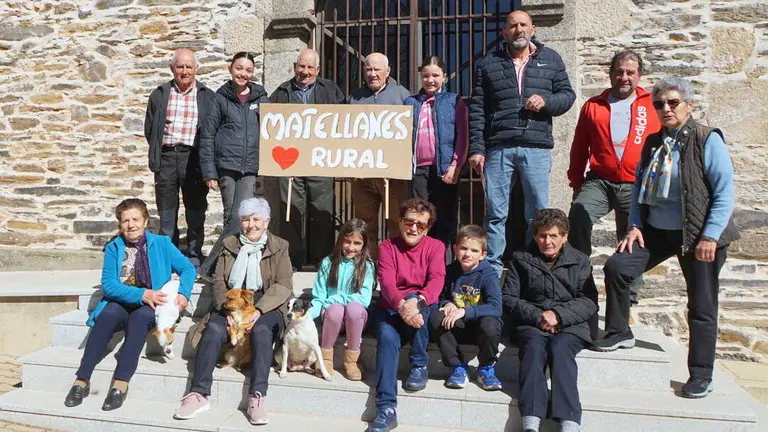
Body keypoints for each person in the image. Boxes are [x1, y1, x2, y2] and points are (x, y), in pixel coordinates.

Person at [594, 77, 739, 400]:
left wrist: (710, 236)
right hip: (656, 231)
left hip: (699, 234)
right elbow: (637, 193)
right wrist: (634, 226)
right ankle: (619, 330)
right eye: (659, 103)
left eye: (673, 102)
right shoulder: (654, 142)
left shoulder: (705, 139)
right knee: (618, 267)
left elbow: (724, 193)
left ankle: (701, 374)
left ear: (689, 104)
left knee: (701, 305)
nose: (666, 109)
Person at [468, 10, 576, 276]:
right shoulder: (487, 63)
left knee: (537, 213)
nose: (518, 29)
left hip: (536, 146)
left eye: (523, 25)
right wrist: (477, 149)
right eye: (512, 25)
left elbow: (567, 95)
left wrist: (546, 102)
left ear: (533, 29)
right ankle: (492, 269)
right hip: (498, 147)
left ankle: (534, 267)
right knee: (495, 213)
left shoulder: (551, 59)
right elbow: (478, 109)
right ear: (504, 32)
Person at [64, 198, 196, 411]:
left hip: (152, 306)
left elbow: (188, 269)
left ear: (145, 221)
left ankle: (120, 383)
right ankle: (81, 379)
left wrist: (184, 293)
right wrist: (143, 294)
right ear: (120, 224)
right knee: (107, 315)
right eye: (125, 220)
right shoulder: (114, 247)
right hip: (124, 300)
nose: (131, 225)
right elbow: (109, 285)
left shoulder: (162, 244)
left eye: (135, 219)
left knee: (140, 318)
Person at [174, 197, 293, 424]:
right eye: (246, 220)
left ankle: (257, 396)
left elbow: (284, 284)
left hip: (265, 301)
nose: (252, 225)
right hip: (232, 300)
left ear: (266, 222)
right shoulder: (230, 244)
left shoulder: (280, 246)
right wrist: (228, 311)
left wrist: (258, 310)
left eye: (256, 219)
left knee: (261, 331)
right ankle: (199, 393)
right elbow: (218, 280)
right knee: (214, 330)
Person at [567, 50, 661, 336]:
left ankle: (627, 301)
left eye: (630, 72)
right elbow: (580, 144)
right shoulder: (594, 105)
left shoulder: (651, 105)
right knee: (578, 217)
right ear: (611, 73)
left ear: (639, 75)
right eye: (619, 71)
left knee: (632, 241)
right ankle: (580, 283)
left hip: (637, 183)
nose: (624, 77)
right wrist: (575, 182)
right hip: (601, 180)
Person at [502, 209, 598, 432]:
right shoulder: (521, 259)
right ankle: (531, 421)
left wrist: (559, 316)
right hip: (532, 322)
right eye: (543, 235)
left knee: (561, 350)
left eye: (554, 236)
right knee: (534, 349)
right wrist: (538, 316)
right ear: (535, 236)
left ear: (565, 236)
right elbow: (508, 297)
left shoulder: (580, 261)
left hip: (569, 325)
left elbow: (589, 300)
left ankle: (569, 423)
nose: (548, 242)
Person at [368, 198, 446, 432]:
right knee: (387, 338)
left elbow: (437, 280)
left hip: (421, 303)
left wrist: (417, 301)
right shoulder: (387, 247)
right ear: (400, 222)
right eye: (409, 222)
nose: (413, 228)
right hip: (391, 307)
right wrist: (403, 306)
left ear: (428, 227)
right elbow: (387, 283)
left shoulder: (436, 247)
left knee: (422, 307)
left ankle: (419, 364)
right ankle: (386, 408)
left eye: (420, 225)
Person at [270, 49, 346, 270]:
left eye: (310, 67)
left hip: (321, 160)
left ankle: (320, 259)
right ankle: (293, 259)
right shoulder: (281, 92)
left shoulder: (331, 90)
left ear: (318, 70)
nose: (305, 72)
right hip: (289, 162)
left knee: (321, 210)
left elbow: (344, 123)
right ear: (295, 67)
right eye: (301, 66)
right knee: (290, 209)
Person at [198, 52, 269, 277]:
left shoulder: (261, 99)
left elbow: (273, 130)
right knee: (233, 217)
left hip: (250, 167)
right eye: (239, 68)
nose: (243, 74)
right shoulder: (219, 99)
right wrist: (209, 172)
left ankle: (213, 266)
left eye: (248, 70)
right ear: (231, 69)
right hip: (226, 167)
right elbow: (207, 136)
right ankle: (212, 267)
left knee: (241, 217)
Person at [144, 48, 215, 265]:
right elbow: (150, 128)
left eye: (189, 66)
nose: (184, 71)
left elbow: (212, 130)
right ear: (172, 68)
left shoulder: (207, 96)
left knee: (195, 210)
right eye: (180, 66)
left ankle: (194, 255)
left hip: (193, 158)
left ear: (196, 69)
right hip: (166, 157)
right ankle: (170, 257)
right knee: (166, 212)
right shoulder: (159, 94)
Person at [349, 52, 411, 259]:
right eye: (368, 69)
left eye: (377, 69)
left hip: (394, 175)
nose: (372, 74)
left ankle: (392, 269)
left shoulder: (403, 96)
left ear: (388, 71)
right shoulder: (354, 97)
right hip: (363, 174)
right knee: (364, 225)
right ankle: (366, 270)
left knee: (396, 222)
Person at [404, 55, 468, 252]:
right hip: (418, 171)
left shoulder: (454, 101)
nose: (430, 80)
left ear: (444, 77)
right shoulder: (410, 102)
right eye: (426, 76)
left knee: (445, 222)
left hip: (444, 170)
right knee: (420, 220)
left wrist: (455, 165)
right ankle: (422, 265)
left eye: (435, 75)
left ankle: (444, 270)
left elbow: (463, 136)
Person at [428, 224, 502, 391]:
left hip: (480, 328)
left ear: (483, 255)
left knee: (491, 323)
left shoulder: (488, 274)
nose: (467, 254)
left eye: (474, 251)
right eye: (463, 248)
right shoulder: (450, 271)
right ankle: (457, 366)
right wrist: (446, 303)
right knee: (435, 317)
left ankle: (486, 367)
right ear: (455, 248)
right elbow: (440, 296)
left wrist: (465, 311)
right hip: (456, 327)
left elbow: (496, 307)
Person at [308, 218, 374, 381]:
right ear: (340, 240)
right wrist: (308, 316)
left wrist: (335, 299)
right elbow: (319, 296)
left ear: (364, 245)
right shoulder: (328, 263)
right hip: (332, 317)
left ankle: (351, 361)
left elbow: (364, 299)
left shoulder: (367, 266)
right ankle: (326, 358)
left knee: (353, 307)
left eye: (357, 243)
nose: (351, 247)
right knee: (337, 309)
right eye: (347, 241)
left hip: (355, 319)